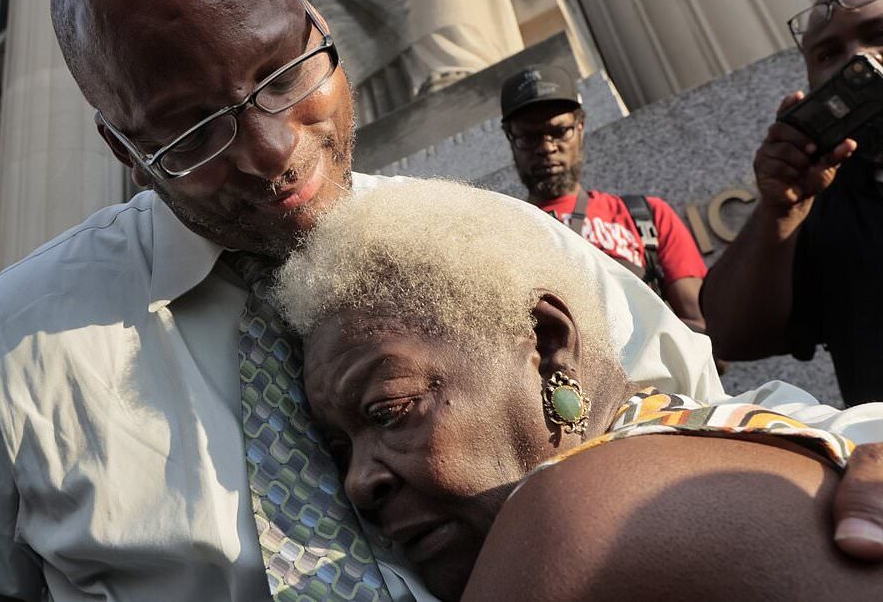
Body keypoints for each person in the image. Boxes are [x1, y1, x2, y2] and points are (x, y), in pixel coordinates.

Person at [0, 0, 883, 599]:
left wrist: (860, 449)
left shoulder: (502, 243)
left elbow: (701, 414)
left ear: (320, 28)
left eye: (283, 74)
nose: (273, 151)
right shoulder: (5, 350)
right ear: (121, 150)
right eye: (189, 133)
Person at [274, 178, 883, 601]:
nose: (358, 483)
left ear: (544, 342)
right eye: (337, 448)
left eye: (391, 411)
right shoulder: (746, 445)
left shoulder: (574, 512)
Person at [702, 0, 883, 406]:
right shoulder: (820, 205)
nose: (856, 59)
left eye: (878, 36)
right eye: (828, 54)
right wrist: (779, 212)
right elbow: (731, 334)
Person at [501, 64, 709, 331]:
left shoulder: (647, 217)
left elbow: (709, 339)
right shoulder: (506, 237)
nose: (547, 147)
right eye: (529, 137)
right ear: (510, 138)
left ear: (581, 126)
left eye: (559, 131)